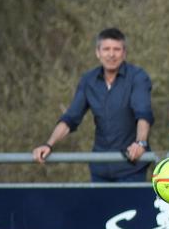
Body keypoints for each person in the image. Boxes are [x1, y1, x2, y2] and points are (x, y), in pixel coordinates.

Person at [32, 27, 153, 182]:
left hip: (131, 169)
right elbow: (70, 118)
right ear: (98, 53)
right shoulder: (88, 80)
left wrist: (140, 142)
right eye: (106, 49)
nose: (111, 54)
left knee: (130, 206)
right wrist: (48, 144)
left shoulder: (138, 77)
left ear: (124, 53)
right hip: (100, 170)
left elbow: (143, 112)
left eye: (116, 49)